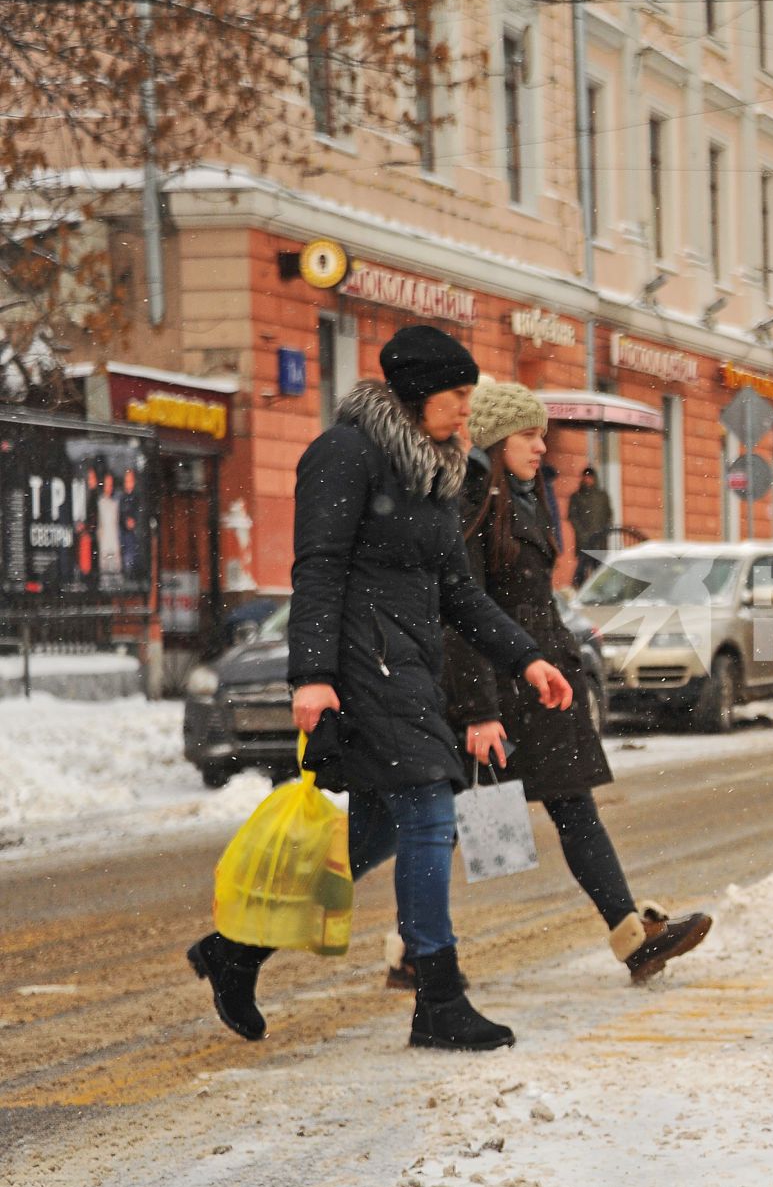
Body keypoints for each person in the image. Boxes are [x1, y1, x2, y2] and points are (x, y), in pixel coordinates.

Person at [187, 325, 576, 1052]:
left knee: (378, 833)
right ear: (420, 389)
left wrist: (526, 658)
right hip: (364, 671)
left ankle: (234, 950)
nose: (468, 410)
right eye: (459, 396)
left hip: (411, 671)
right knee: (430, 812)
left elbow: (457, 590)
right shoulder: (346, 454)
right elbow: (320, 567)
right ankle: (438, 996)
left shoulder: (435, 468)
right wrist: (311, 676)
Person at [421, 382, 710, 988]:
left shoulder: (527, 498)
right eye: (528, 434)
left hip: (542, 685)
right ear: (499, 440)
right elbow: (458, 614)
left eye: (541, 432)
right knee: (437, 825)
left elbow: (532, 598)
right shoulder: (470, 502)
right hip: (499, 693)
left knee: (572, 809)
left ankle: (631, 938)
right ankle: (410, 953)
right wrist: (475, 709)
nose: (541, 444)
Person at [566, 465, 613, 587]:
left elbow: (608, 516)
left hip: (600, 541)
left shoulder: (602, 496)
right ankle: (579, 593)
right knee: (581, 572)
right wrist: (582, 534)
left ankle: (600, 597)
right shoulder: (577, 497)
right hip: (584, 541)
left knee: (600, 573)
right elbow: (572, 517)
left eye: (590, 477)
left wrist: (604, 532)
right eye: (585, 477)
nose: (587, 480)